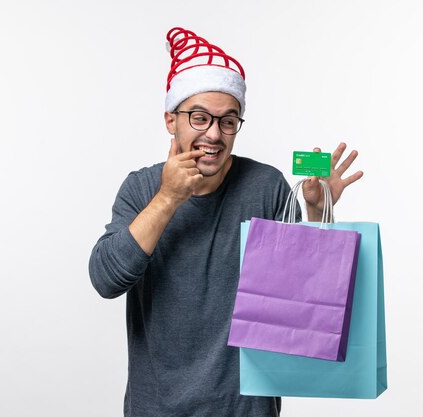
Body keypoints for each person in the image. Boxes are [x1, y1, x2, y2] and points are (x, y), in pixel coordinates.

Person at [89, 27, 363, 417]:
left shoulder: (265, 185)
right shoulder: (141, 188)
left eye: (228, 121)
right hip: (157, 408)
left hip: (245, 408)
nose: (214, 135)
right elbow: (105, 280)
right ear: (171, 120)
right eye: (199, 118)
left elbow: (301, 298)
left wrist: (320, 212)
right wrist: (169, 197)